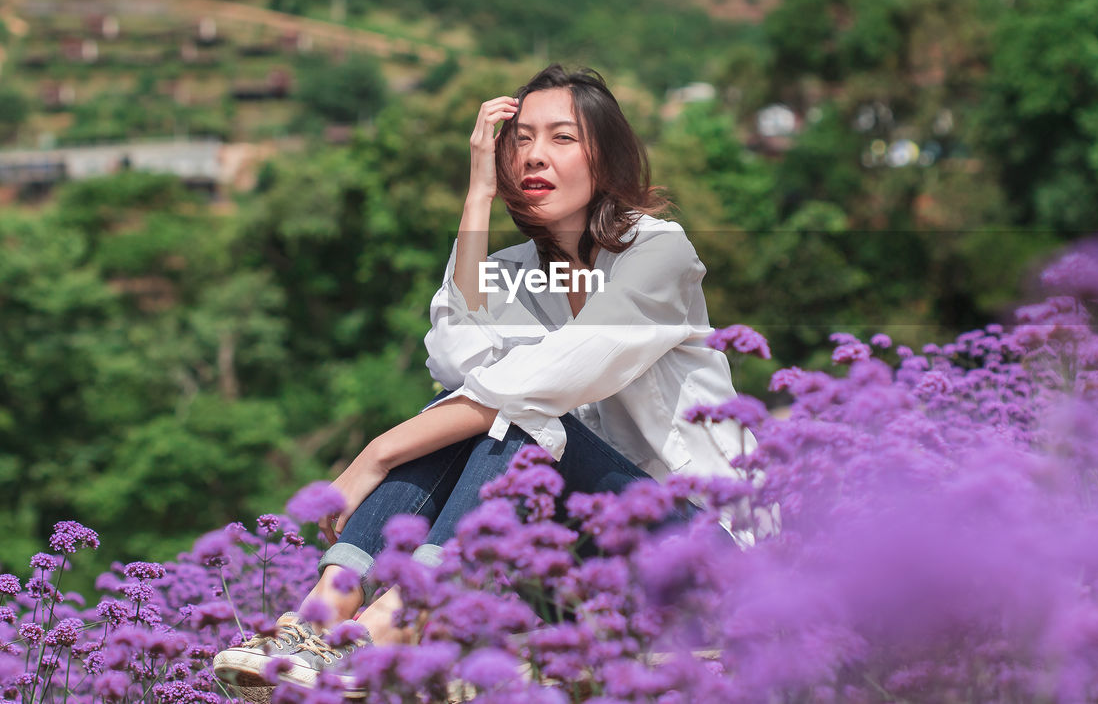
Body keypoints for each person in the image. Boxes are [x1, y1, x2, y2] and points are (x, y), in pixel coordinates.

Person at [212, 64, 749, 695]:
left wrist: (375, 455)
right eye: (519, 140)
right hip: (589, 559)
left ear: (607, 159)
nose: (533, 156)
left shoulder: (658, 252)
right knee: (479, 412)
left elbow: (544, 381)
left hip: (700, 554)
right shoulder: (520, 271)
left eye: (562, 138)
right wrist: (477, 198)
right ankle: (322, 615)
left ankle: (401, 618)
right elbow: (455, 360)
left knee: (525, 416)